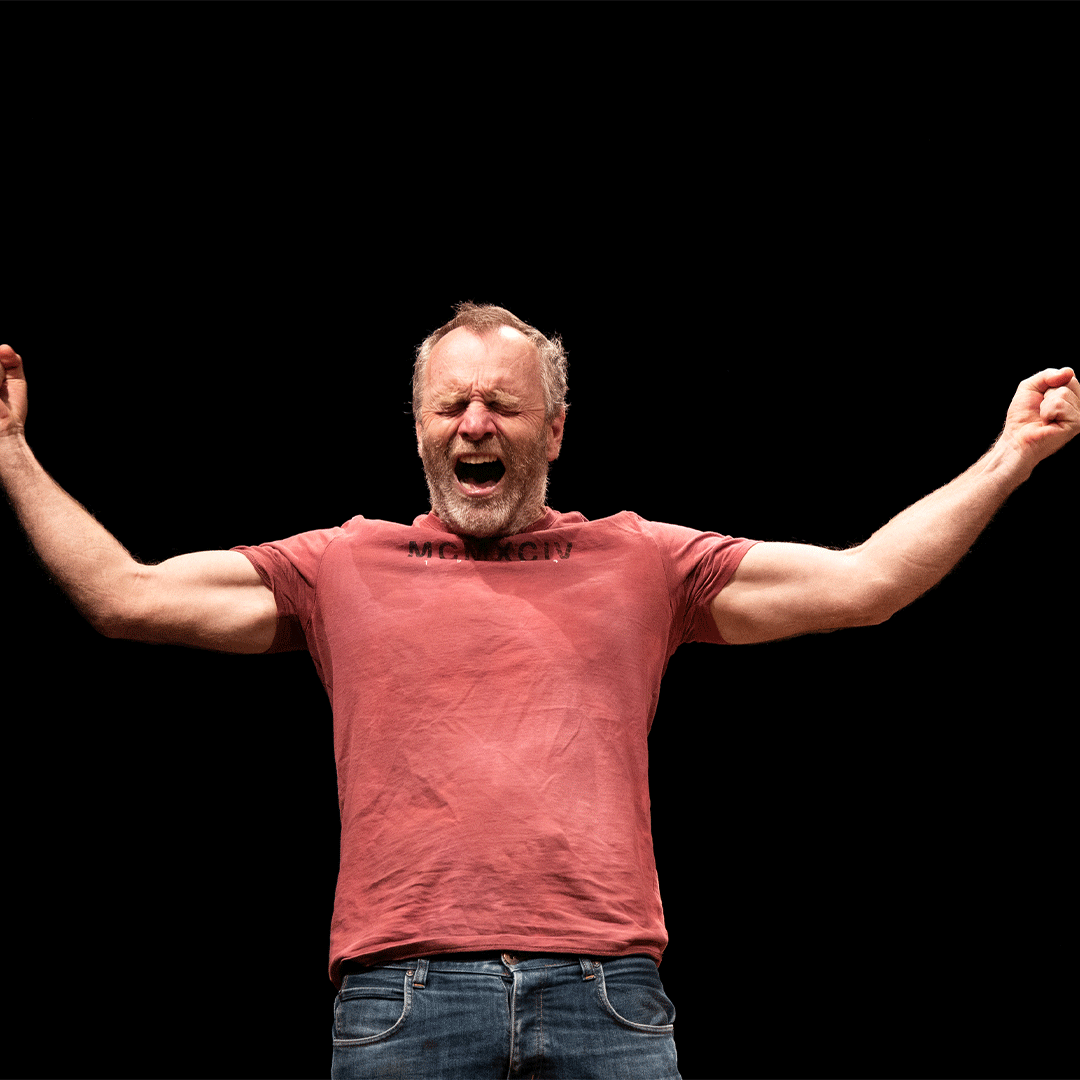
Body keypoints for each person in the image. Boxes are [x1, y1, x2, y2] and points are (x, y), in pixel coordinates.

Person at [1, 305, 1077, 1080]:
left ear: (551, 431)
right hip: (401, 997)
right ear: (419, 429)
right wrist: (10, 451)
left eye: (503, 406)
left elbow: (865, 583)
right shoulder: (338, 564)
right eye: (452, 405)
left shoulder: (646, 559)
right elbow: (123, 595)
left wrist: (1011, 454)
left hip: (606, 988)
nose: (475, 424)